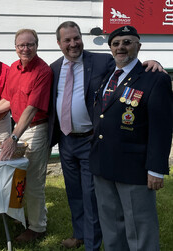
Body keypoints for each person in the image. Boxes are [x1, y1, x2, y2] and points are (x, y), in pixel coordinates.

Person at [49, 21, 165, 250]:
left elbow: (160, 124)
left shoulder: (104, 62)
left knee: (124, 215)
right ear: (59, 44)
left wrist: (155, 62)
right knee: (92, 206)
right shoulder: (55, 68)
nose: (73, 44)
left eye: (76, 38)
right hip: (79, 147)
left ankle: (93, 243)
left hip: (108, 149)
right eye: (67, 40)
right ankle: (81, 234)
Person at [89, 25, 172, 250]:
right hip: (103, 164)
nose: (121, 47)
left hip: (134, 167)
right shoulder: (106, 77)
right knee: (111, 227)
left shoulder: (154, 78)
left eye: (127, 42)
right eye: (116, 44)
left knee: (140, 227)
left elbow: (162, 128)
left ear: (138, 46)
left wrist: (155, 169)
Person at [0, 29, 53, 242]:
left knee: (34, 181)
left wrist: (13, 138)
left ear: (36, 46)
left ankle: (38, 227)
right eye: (21, 45)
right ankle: (23, 218)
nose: (25, 49)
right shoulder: (13, 68)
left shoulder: (43, 71)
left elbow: (31, 108)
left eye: (29, 45)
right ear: (15, 47)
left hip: (36, 127)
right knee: (18, 177)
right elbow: (9, 99)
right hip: (19, 128)